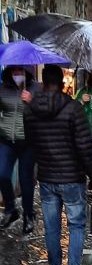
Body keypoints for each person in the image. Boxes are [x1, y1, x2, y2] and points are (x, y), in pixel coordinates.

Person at [24, 65, 92, 265]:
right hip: (72, 178)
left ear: (42, 84)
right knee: (77, 225)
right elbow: (85, 149)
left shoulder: (30, 111)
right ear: (62, 83)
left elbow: (31, 144)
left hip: (47, 178)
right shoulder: (73, 109)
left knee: (51, 227)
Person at [0, 66, 39, 233]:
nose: (17, 75)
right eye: (14, 72)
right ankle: (11, 209)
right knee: (2, 174)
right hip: (6, 139)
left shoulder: (36, 89)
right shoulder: (2, 89)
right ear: (9, 72)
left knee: (25, 180)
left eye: (20, 72)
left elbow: (46, 111)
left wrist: (32, 102)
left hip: (28, 142)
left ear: (26, 73)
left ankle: (29, 215)